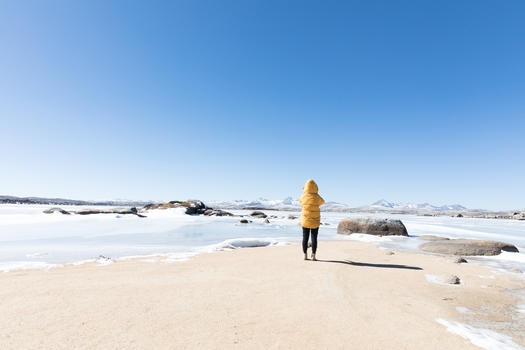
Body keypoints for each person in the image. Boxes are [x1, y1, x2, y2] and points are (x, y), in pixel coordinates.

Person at [298, 179, 325, 261]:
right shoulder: (317, 197)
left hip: (305, 220)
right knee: (314, 238)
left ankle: (305, 255)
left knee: (305, 238)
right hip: (315, 221)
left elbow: (300, 201)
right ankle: (313, 255)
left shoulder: (303, 196)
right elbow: (322, 202)